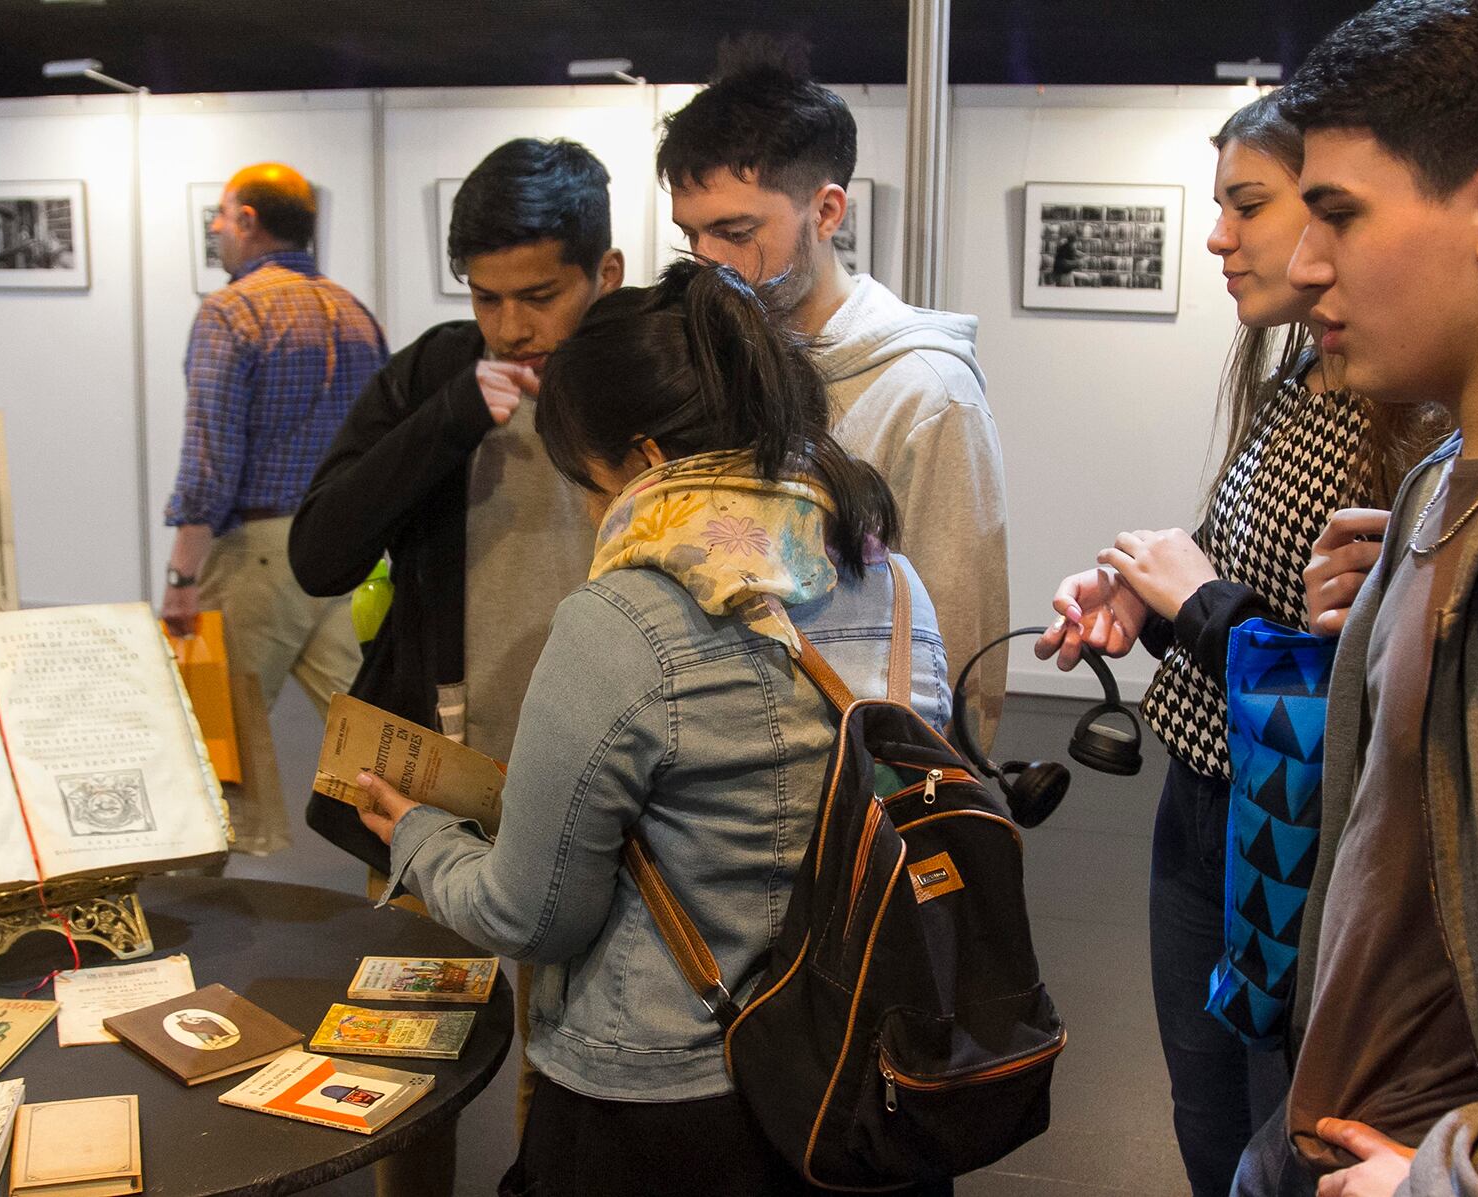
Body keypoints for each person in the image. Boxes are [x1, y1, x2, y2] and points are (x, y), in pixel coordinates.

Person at [355, 261, 952, 1197]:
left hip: (672, 1103)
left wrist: (418, 835)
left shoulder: (624, 619)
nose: (594, 515)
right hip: (875, 1075)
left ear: (640, 462)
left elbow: (530, 914)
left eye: (588, 485)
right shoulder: (896, 583)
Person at [1032, 95, 1441, 1197]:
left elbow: (1344, 690)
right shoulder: (1286, 378)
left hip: (1304, 829)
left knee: (1288, 1133)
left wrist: (1199, 600)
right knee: (1207, 1115)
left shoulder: (1414, 412)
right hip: (1211, 792)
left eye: (1247, 204)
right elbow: (1257, 600)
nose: (1219, 236)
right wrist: (1144, 606)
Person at [1229, 3, 1478, 1194]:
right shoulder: (1432, 490)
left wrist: (1470, 1177)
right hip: (1341, 1130)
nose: (1304, 261)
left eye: (1338, 213)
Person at [288, 137, 623, 1194]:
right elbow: (318, 552)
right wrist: (447, 422)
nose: (512, 325)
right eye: (486, 297)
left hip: (602, 785)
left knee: (563, 1064)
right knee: (405, 1056)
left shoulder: (644, 382)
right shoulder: (438, 369)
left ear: (603, 276)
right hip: (438, 779)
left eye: (540, 295)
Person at [656, 45, 1008, 747]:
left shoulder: (928, 395)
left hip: (859, 797)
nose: (707, 261)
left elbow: (964, 658)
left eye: (735, 231)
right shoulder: (709, 357)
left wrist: (929, 821)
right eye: (691, 233)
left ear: (825, 212)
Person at [161, 162, 386, 723]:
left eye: (220, 215)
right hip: (343, 546)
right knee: (367, 740)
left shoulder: (231, 312)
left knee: (222, 743)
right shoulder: (355, 313)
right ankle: (417, 817)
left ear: (248, 220)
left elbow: (209, 460)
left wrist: (182, 577)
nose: (214, 228)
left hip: (257, 557)